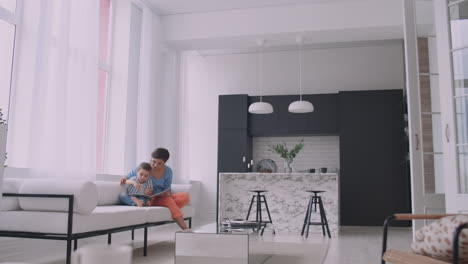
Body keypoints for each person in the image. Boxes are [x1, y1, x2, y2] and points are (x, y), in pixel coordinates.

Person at [121, 148, 190, 230]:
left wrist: (167, 193)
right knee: (169, 201)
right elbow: (129, 177)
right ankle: (186, 229)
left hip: (162, 196)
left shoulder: (168, 171)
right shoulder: (145, 168)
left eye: (159, 163)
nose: (155, 165)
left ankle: (170, 206)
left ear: (164, 162)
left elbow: (167, 188)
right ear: (151, 159)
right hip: (150, 198)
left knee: (185, 196)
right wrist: (124, 179)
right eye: (153, 161)